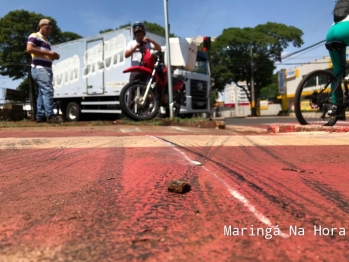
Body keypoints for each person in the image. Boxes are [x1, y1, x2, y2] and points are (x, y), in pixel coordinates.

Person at [26, 18, 62, 123]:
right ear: (41, 26)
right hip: (39, 69)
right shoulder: (34, 36)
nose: (49, 31)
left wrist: (53, 56)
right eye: (48, 28)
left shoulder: (46, 41)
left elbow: (44, 54)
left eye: (51, 29)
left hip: (45, 69)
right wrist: (49, 54)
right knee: (48, 90)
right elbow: (29, 49)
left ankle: (40, 116)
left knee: (42, 93)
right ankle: (50, 116)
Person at [325, 1, 349, 119]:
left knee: (338, 72)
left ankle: (335, 107)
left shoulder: (341, 3)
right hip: (346, 29)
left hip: (331, 33)